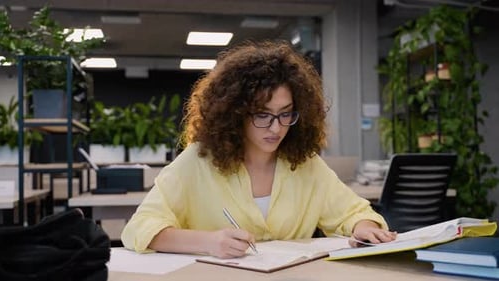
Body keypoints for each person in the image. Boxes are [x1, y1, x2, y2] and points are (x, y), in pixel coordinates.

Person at [121, 40, 396, 259]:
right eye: (262, 115)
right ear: (235, 113)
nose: (276, 128)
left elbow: (354, 213)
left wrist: (364, 229)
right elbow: (139, 228)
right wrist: (209, 242)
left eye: (286, 114)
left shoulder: (304, 165)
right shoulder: (198, 161)